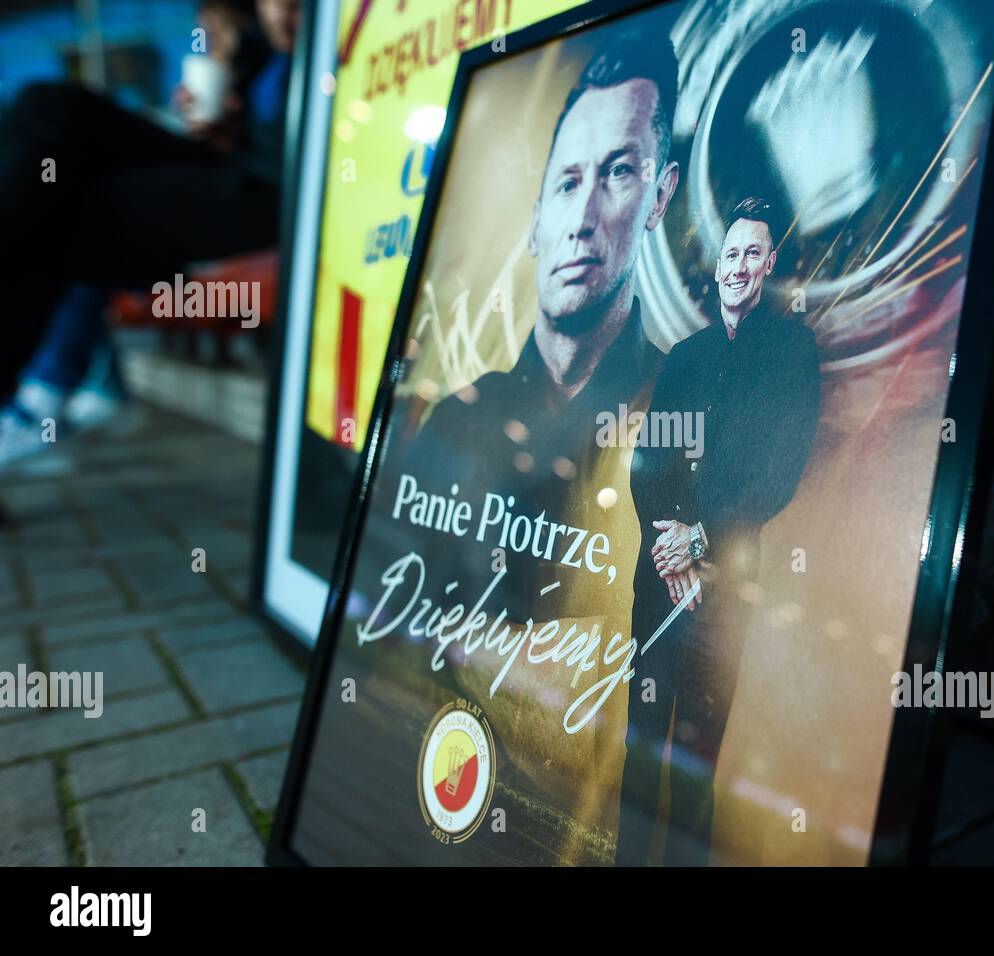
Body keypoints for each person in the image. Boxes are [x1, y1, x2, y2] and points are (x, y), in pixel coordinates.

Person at [372, 30, 681, 620]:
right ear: (537, 221)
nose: (581, 220)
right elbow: (391, 613)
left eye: (617, 171)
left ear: (660, 196)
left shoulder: (676, 411)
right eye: (567, 183)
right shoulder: (455, 418)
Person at [616, 196, 823, 866]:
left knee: (697, 761)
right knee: (640, 746)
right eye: (730, 253)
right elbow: (651, 464)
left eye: (752, 254)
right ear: (719, 267)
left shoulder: (792, 355)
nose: (738, 266)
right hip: (659, 586)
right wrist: (666, 544)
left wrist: (698, 541)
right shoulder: (686, 356)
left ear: (771, 265)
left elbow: (777, 473)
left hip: (727, 590)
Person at [0, 0, 301, 405]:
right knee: (47, 115)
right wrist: (220, 123)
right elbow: (236, 138)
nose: (284, 10)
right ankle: (43, 386)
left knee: (59, 203)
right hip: (234, 173)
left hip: (283, 193)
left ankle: (46, 387)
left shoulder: (328, 51)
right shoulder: (252, 54)